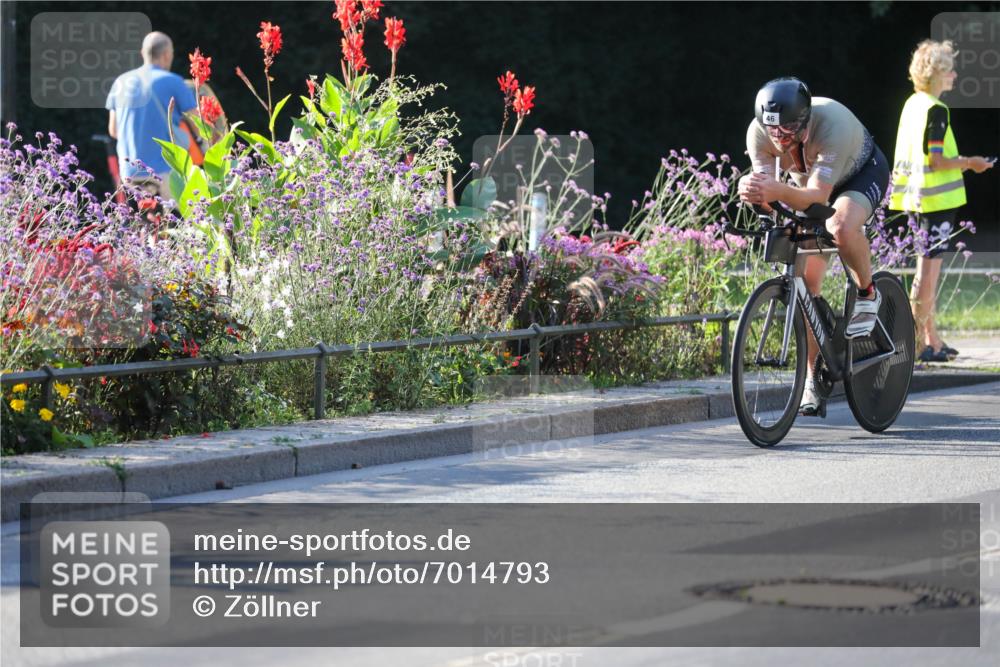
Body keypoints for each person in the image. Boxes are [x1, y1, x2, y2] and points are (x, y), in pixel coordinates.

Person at [738, 77, 890, 417]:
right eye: (773, 130)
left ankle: (868, 292)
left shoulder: (830, 123)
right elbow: (769, 192)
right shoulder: (759, 133)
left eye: (790, 129)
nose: (781, 138)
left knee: (840, 225)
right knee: (805, 284)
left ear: (806, 118)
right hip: (807, 187)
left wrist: (775, 191)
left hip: (858, 176)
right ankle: (813, 377)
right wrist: (752, 191)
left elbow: (819, 198)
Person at [889, 39, 994, 363]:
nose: (955, 75)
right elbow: (936, 160)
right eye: (949, 70)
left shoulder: (913, 103)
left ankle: (931, 337)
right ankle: (920, 343)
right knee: (928, 273)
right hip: (937, 202)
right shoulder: (937, 109)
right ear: (935, 73)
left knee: (926, 271)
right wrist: (971, 162)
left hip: (916, 197)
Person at [106, 32, 197, 200]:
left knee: (142, 222)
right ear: (167, 55)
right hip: (167, 172)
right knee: (179, 222)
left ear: (143, 53)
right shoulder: (174, 82)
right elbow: (199, 126)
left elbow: (114, 130)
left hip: (131, 173)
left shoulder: (120, 82)